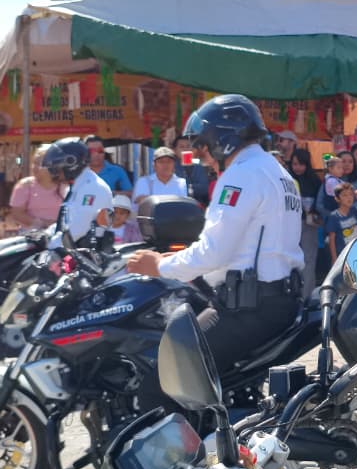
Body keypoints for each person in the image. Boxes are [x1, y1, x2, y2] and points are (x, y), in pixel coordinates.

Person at [126, 94, 303, 374]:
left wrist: (159, 265)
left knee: (163, 371)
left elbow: (214, 252)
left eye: (203, 147)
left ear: (222, 140)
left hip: (248, 310)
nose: (202, 158)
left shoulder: (241, 174)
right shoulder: (277, 171)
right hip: (279, 300)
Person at [43, 137, 113, 242]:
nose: (54, 173)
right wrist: (45, 235)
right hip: (74, 249)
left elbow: (78, 229)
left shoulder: (93, 188)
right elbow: (66, 222)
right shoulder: (76, 187)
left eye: (56, 168)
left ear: (71, 164)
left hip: (88, 254)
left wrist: (50, 244)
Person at [8, 146, 68, 232]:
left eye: (39, 164)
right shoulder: (25, 185)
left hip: (59, 234)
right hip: (31, 235)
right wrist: (43, 224)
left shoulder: (65, 186)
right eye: (34, 163)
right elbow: (17, 213)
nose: (34, 167)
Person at [287, 148, 322, 296]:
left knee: (308, 260)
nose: (298, 168)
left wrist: (313, 212)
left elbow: (320, 203)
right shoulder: (287, 179)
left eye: (301, 164)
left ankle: (307, 296)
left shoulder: (314, 180)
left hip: (309, 225)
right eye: (295, 164)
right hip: (290, 226)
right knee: (290, 260)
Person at [324, 180, 357, 260]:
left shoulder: (354, 210)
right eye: (344, 195)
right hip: (342, 256)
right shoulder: (334, 216)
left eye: (351, 194)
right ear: (337, 198)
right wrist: (334, 259)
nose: (349, 198)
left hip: (356, 252)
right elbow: (332, 240)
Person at [174, 135, 212, 207]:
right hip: (178, 205)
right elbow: (173, 188)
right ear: (175, 150)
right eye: (182, 147)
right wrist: (193, 187)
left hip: (196, 207)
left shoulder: (199, 166)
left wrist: (185, 188)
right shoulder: (171, 167)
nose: (185, 149)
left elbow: (204, 188)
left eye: (188, 146)